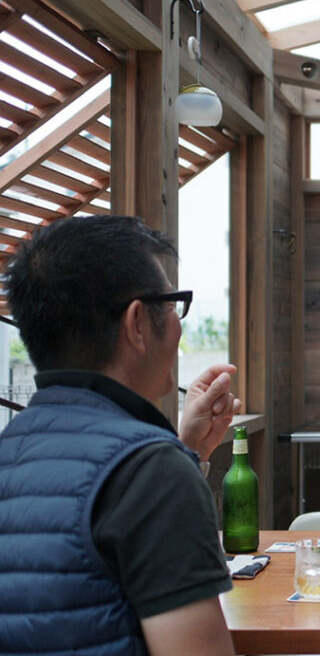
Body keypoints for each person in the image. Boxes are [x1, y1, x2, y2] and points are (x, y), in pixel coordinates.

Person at [0, 215, 242, 655]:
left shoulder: (11, 449)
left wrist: (186, 450)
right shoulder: (152, 473)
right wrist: (168, 463)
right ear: (136, 323)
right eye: (171, 305)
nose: (178, 324)